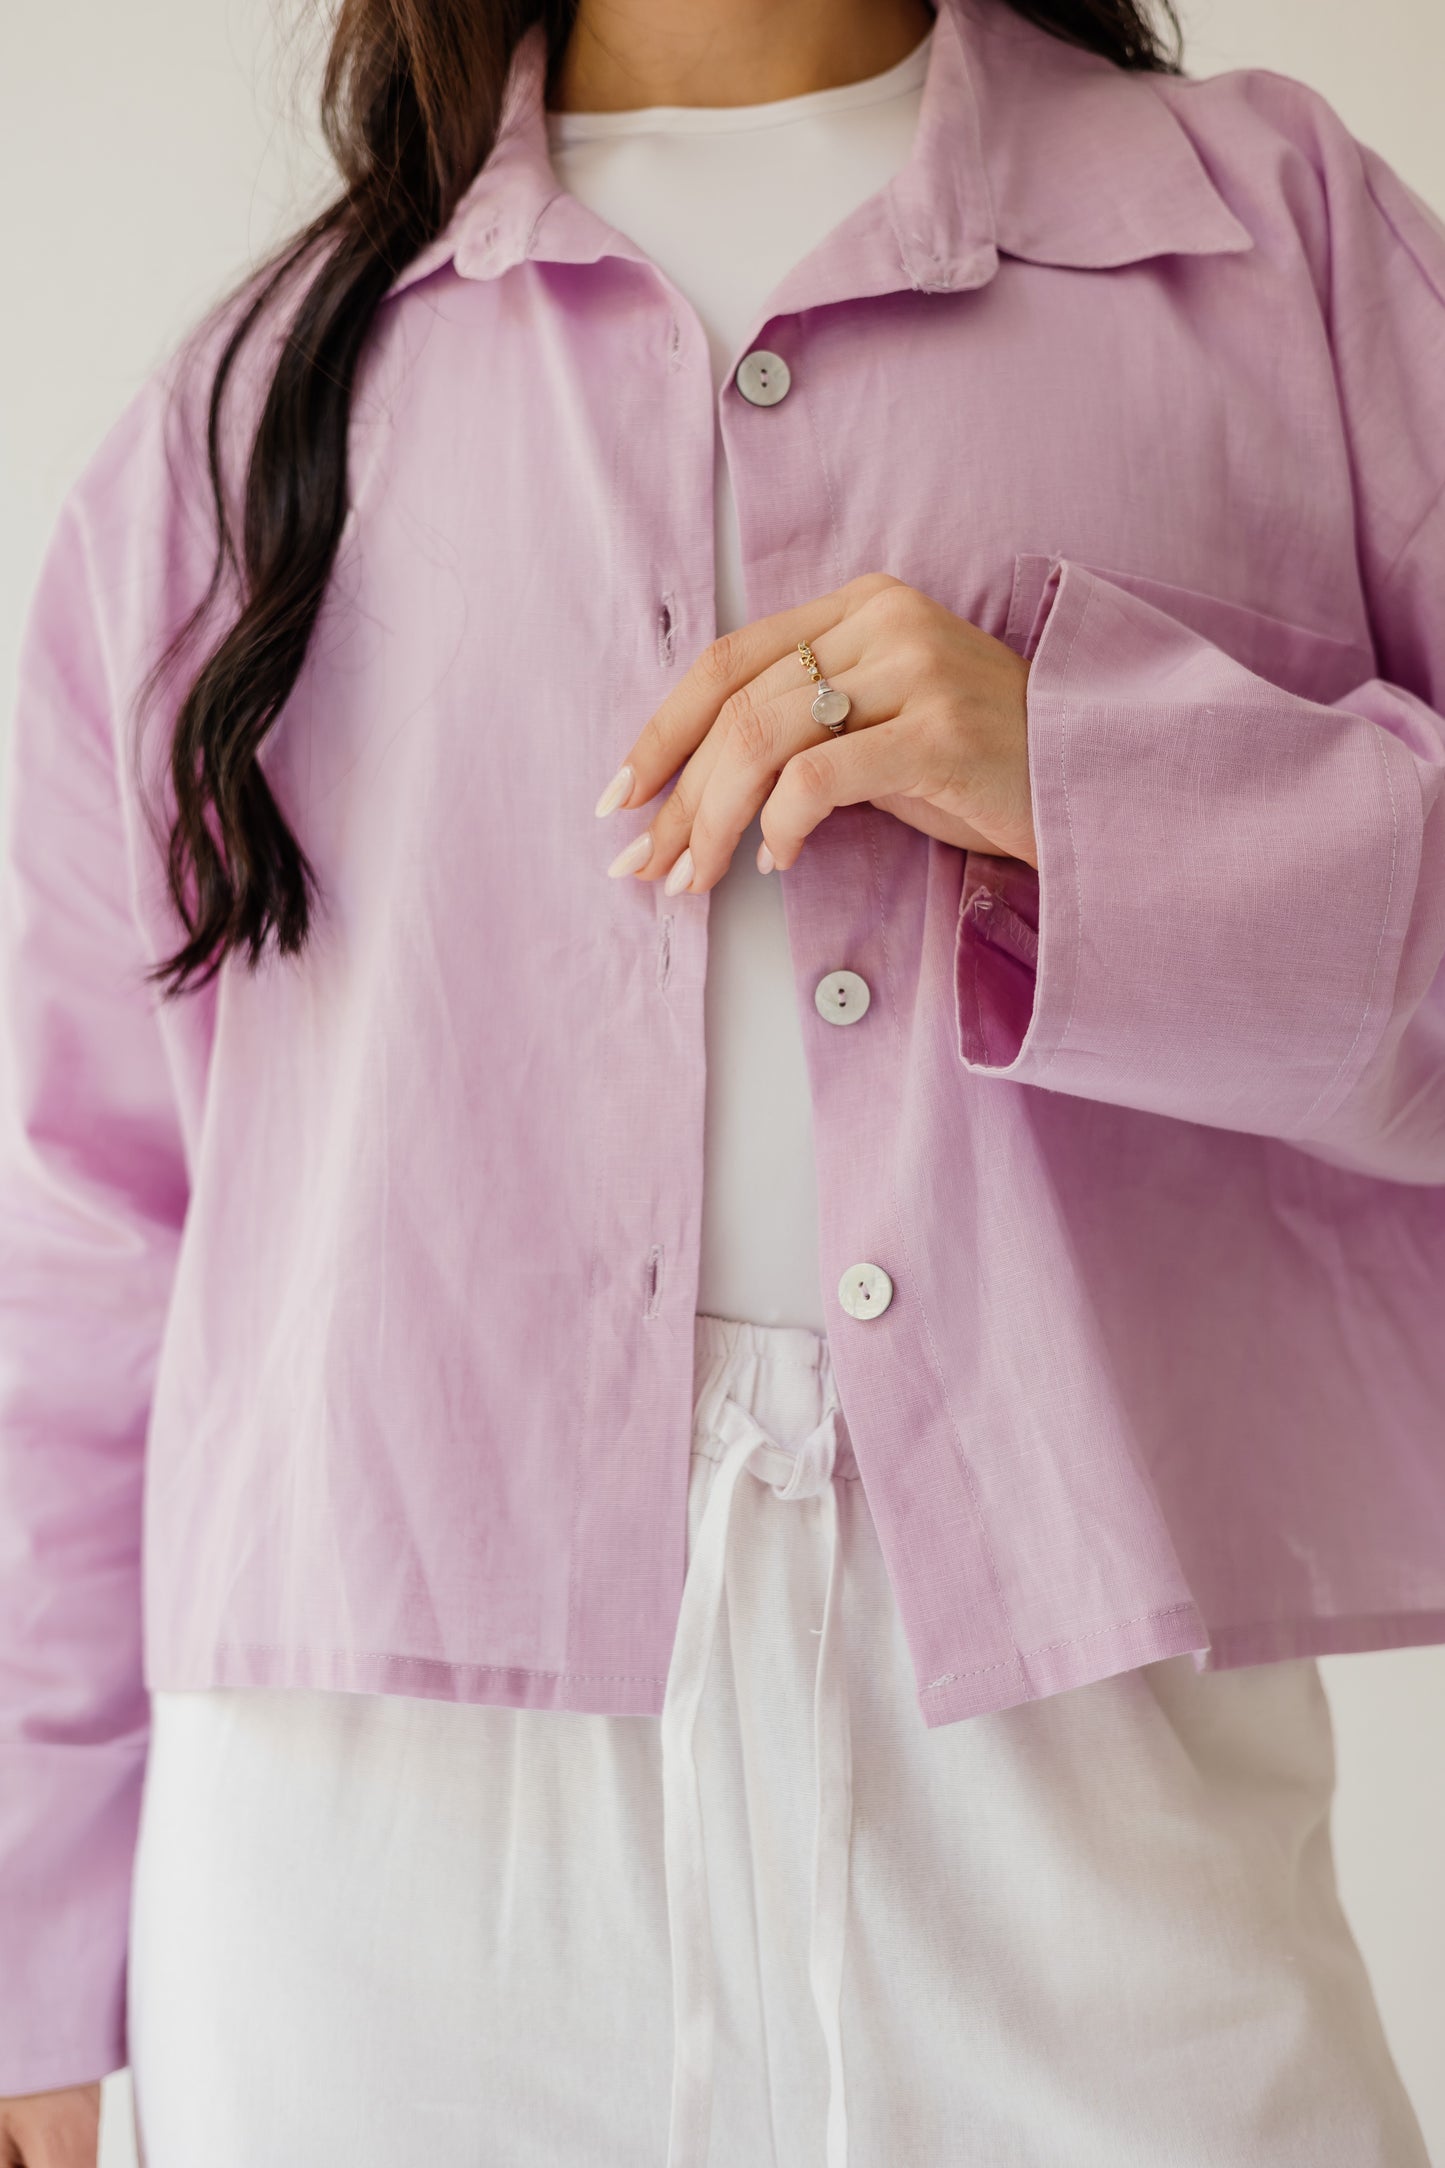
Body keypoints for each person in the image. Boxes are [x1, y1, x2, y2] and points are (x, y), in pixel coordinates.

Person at [2, 0, 1444, 2159]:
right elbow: (80, 1218)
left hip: (1084, 1761)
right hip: (370, 1819)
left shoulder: (1274, 248)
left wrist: (1090, 780)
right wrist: (31, 1933)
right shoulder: (253, 400)